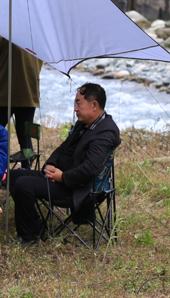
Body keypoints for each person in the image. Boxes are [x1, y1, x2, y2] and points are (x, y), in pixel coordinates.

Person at [9, 82, 120, 246]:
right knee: (15, 175)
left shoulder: (105, 131)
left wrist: (63, 177)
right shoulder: (85, 123)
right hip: (61, 176)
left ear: (94, 105)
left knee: (23, 184)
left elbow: (91, 168)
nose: (75, 108)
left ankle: (27, 237)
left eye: (78, 103)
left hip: (76, 187)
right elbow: (64, 147)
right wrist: (51, 164)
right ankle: (35, 224)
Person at [0, 27, 42, 168]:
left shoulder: (7, 29)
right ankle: (27, 171)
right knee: (25, 138)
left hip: (6, 95)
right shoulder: (37, 34)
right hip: (28, 94)